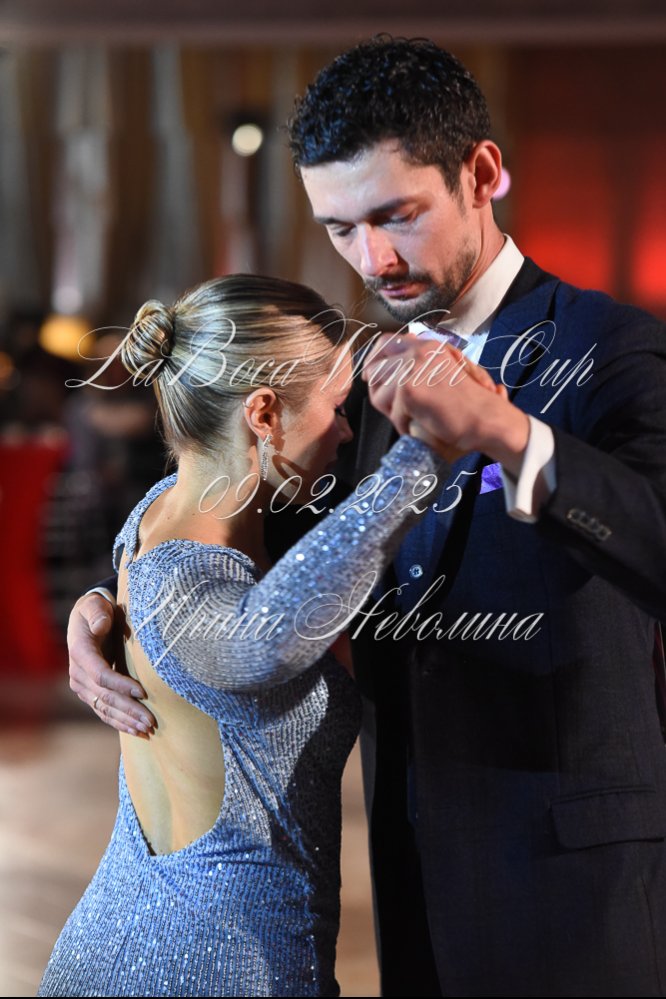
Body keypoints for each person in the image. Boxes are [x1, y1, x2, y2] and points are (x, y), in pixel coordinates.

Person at [67, 38, 666, 997]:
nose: (372, 259)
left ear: (482, 174)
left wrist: (511, 434)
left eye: (397, 216)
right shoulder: (367, 380)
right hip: (408, 873)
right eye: (340, 227)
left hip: (572, 883)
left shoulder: (611, 347)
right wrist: (112, 603)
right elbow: (266, 545)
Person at [40, 273, 466, 998]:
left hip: (127, 943)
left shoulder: (157, 513)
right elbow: (262, 640)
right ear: (263, 413)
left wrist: (95, 602)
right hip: (214, 969)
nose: (345, 432)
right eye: (337, 408)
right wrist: (427, 451)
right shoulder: (186, 577)